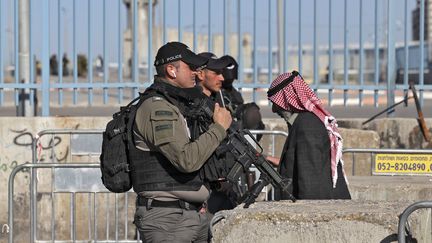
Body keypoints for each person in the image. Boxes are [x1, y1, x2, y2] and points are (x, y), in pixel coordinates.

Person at [131, 42, 232, 242]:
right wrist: (219, 128)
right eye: (190, 67)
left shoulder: (177, 104)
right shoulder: (157, 108)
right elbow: (186, 160)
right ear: (171, 70)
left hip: (191, 215)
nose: (197, 72)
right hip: (168, 220)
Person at [267, 70, 351, 200]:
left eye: (275, 102)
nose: (274, 109)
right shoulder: (304, 122)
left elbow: (311, 182)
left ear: (287, 99)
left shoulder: (308, 126)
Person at [194, 52, 240, 214]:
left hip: (223, 188)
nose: (222, 78)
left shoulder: (218, 101)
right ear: (200, 74)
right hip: (202, 193)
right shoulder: (192, 107)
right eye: (216, 73)